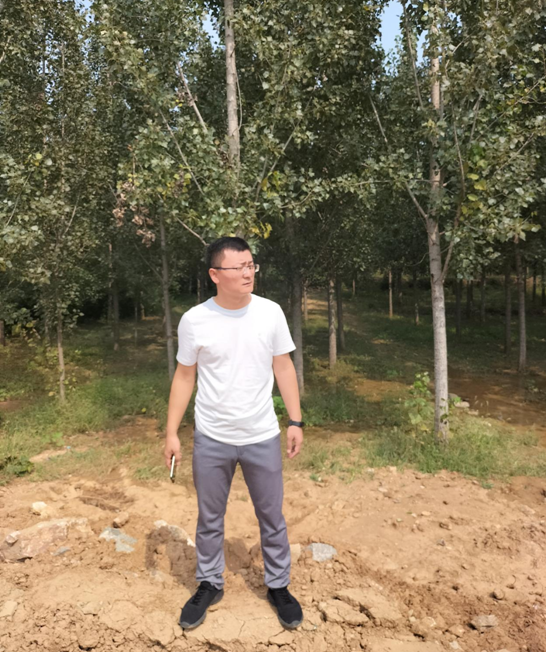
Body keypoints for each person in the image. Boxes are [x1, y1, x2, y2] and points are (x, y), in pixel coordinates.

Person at [163, 236, 304, 631]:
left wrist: (295, 421)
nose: (247, 273)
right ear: (215, 274)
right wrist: (172, 432)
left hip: (261, 434)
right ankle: (210, 583)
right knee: (210, 518)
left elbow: (283, 367)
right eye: (238, 267)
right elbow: (184, 376)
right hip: (212, 437)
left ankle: (278, 586)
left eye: (251, 265)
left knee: (271, 516)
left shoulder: (270, 313)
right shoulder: (195, 320)